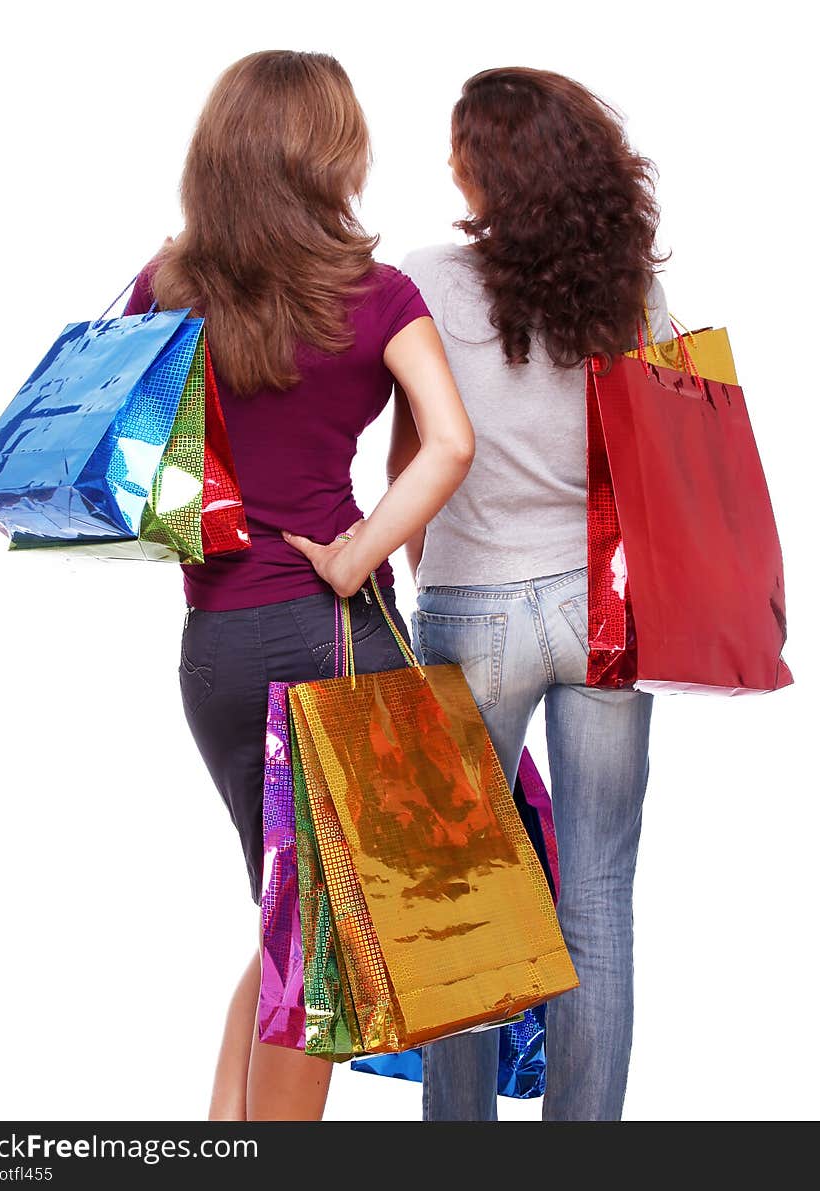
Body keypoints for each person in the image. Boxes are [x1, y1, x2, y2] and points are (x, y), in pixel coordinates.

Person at [124, 50, 474, 1122]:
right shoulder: (378, 294)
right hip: (334, 635)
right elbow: (450, 443)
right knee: (318, 945)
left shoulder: (161, 286)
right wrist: (360, 552)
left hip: (217, 646)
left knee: (288, 915)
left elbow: (123, 448)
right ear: (334, 152)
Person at [393, 67, 670, 1121]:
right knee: (596, 894)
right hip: (605, 613)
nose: (447, 165)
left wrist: (434, 588)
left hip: (473, 604)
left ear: (485, 164)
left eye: (459, 146)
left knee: (459, 897)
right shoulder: (627, 290)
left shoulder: (425, 278)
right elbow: (657, 453)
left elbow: (412, 456)